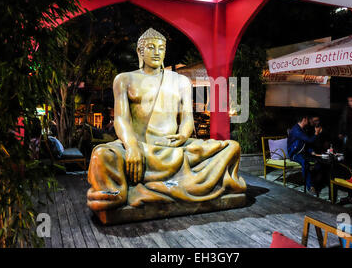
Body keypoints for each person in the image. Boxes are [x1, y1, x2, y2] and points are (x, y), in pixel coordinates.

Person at [86, 28, 246, 212]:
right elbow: (121, 120)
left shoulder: (181, 81)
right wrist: (131, 147)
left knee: (232, 148)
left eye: (161, 48)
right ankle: (116, 194)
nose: (156, 52)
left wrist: (183, 136)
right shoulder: (125, 79)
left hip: (173, 147)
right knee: (102, 155)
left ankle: (160, 187)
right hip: (141, 147)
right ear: (140, 51)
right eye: (151, 47)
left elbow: (187, 119)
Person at [287, 115, 323, 195]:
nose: (308, 120)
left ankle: (314, 181)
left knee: (319, 161)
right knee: (305, 162)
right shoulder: (296, 130)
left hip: (303, 152)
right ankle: (310, 187)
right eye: (307, 119)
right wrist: (316, 133)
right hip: (295, 154)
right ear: (304, 119)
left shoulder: (302, 129)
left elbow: (305, 143)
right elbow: (309, 140)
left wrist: (311, 151)